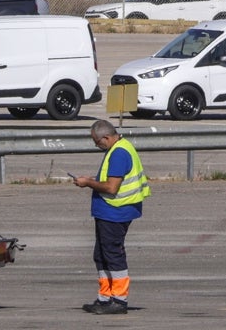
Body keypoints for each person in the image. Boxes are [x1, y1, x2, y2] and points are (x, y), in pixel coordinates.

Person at [73, 119, 150, 315]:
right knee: (101, 255)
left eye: (96, 142)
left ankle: (119, 300)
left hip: (115, 212)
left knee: (113, 255)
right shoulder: (118, 148)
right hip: (110, 211)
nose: (95, 145)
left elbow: (111, 187)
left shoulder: (119, 153)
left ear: (106, 137)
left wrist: (88, 183)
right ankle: (105, 298)